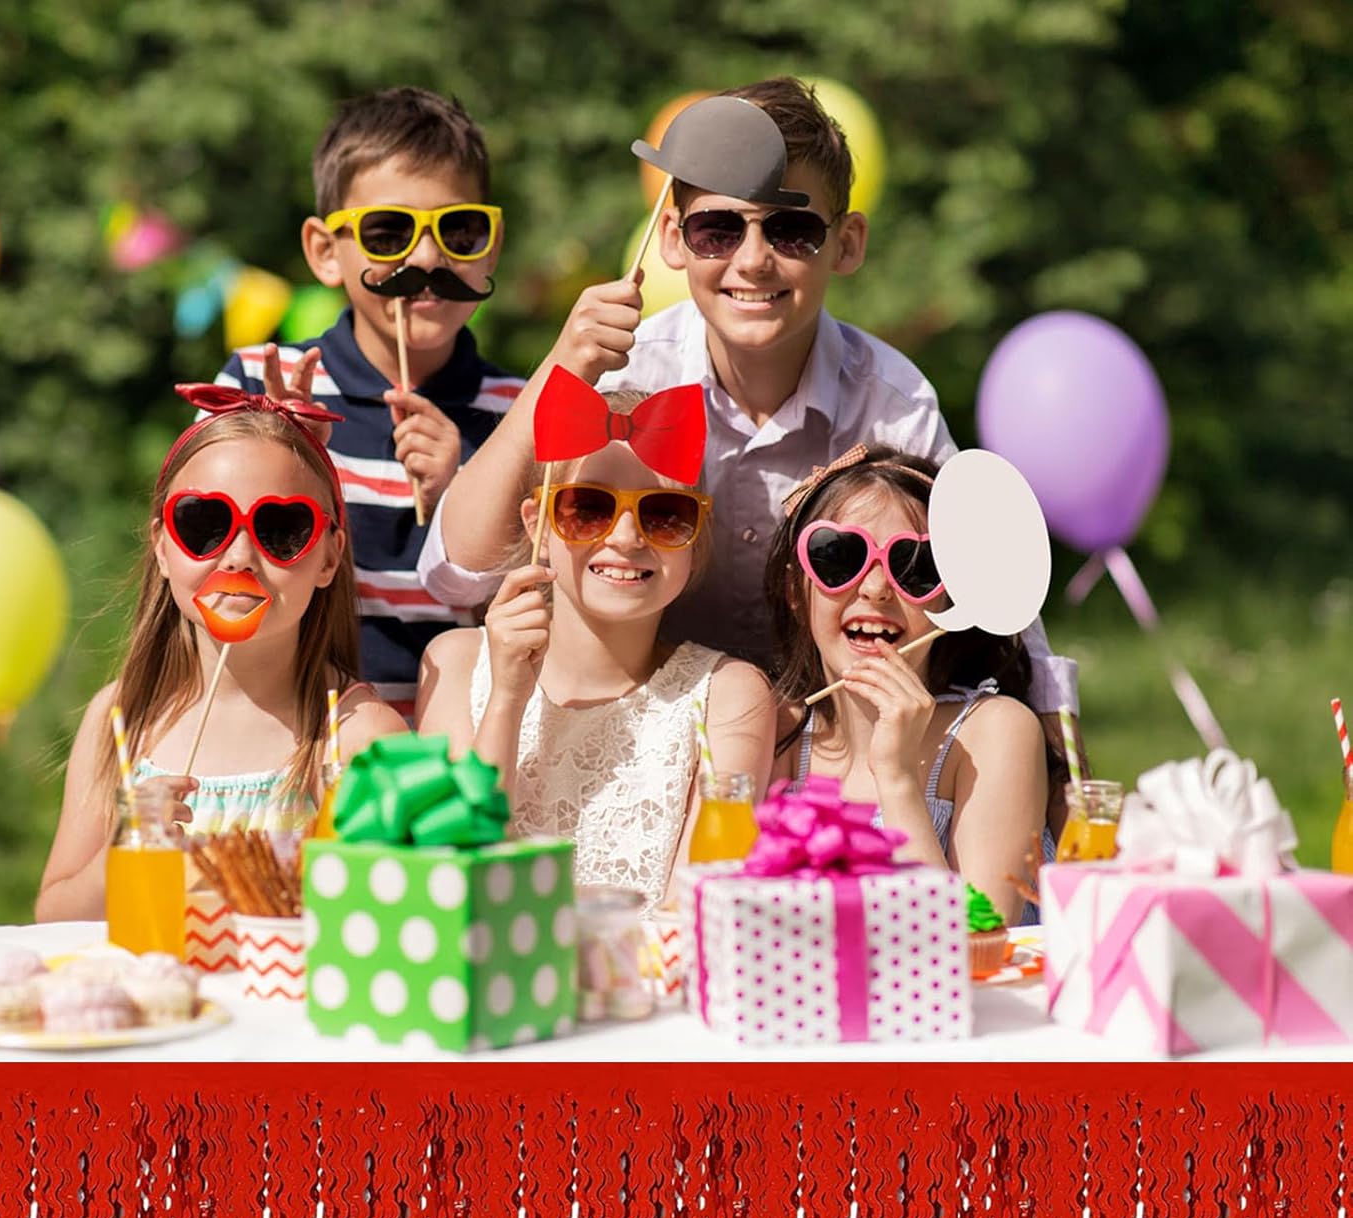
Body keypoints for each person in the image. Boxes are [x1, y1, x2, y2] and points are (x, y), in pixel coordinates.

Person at [418, 76, 1080, 825]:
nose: (754, 259)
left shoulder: (891, 405)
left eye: (791, 230)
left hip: (810, 750)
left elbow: (993, 596)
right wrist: (556, 372)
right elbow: (456, 571)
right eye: (718, 229)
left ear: (848, 242)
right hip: (648, 734)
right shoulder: (626, 372)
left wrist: (1062, 777)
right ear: (673, 239)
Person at [36, 387, 406, 921]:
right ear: (162, 547)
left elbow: (390, 917)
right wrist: (122, 853)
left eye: (281, 529)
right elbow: (54, 916)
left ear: (329, 557)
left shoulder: (357, 738)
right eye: (204, 523)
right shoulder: (119, 720)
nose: (238, 557)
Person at [216, 87, 521, 719]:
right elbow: (210, 568)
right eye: (389, 232)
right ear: (325, 252)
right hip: (301, 729)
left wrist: (461, 496)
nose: (428, 257)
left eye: (459, 230)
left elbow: (538, 612)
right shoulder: (254, 382)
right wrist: (285, 461)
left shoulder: (519, 415)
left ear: (490, 245)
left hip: (457, 743)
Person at [416, 389, 777, 912]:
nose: (627, 538)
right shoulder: (454, 664)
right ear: (537, 526)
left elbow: (698, 913)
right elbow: (450, 882)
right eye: (587, 509)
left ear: (697, 539)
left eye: (665, 515)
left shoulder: (729, 696)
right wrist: (506, 701)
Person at [768, 445, 1049, 923]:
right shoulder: (777, 733)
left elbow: (977, 938)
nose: (876, 589)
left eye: (914, 567)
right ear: (797, 590)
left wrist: (897, 777)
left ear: (950, 598)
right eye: (839, 556)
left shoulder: (994, 734)